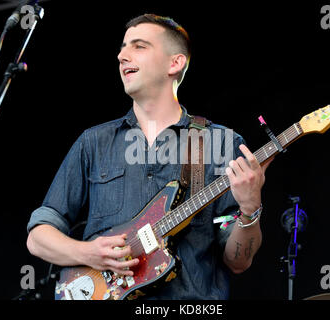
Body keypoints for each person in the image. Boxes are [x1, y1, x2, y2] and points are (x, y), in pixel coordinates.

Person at [26, 13, 273, 299]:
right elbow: (38, 237)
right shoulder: (94, 142)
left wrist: (250, 208)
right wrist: (89, 253)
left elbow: (238, 261)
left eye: (138, 46)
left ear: (175, 63)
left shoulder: (221, 143)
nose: (122, 55)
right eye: (122, 47)